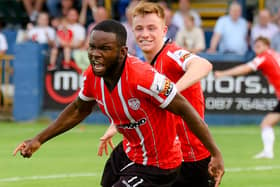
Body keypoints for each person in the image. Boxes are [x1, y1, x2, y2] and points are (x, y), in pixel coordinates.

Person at [14, 20, 224, 187]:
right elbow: (78, 109)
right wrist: (38, 139)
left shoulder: (144, 77)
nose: (96, 54)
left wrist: (215, 154)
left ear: (122, 52)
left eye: (104, 49)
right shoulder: (93, 76)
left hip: (159, 164)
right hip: (128, 152)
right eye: (92, 48)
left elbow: (186, 109)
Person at [99, 2, 224, 187]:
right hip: (158, 154)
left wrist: (171, 92)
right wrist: (115, 126)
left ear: (164, 30)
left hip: (191, 158)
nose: (145, 34)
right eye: (139, 29)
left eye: (152, 28)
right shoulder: (141, 66)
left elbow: (203, 65)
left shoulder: (171, 54)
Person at [215, 36, 280, 159]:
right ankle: (268, 152)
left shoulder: (264, 57)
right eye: (255, 46)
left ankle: (268, 152)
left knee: (266, 123)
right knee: (266, 123)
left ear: (267, 46)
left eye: (259, 46)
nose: (256, 49)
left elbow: (245, 69)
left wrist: (223, 74)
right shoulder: (274, 54)